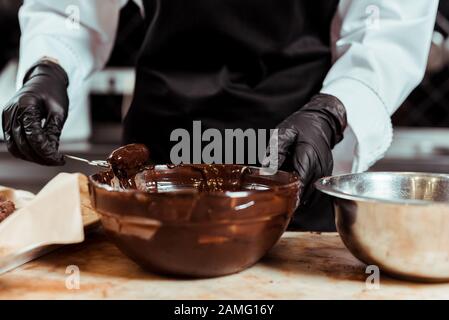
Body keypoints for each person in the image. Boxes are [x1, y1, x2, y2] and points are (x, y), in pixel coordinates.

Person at [1, 0, 438, 230]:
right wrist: (49, 67)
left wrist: (333, 112)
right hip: (155, 161)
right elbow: (71, 7)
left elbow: (387, 26)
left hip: (294, 162)